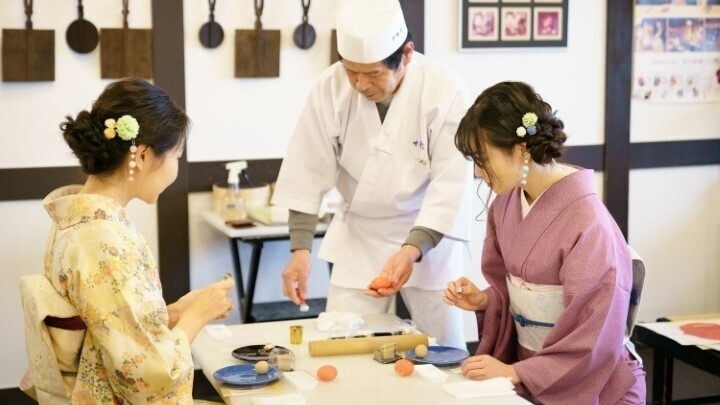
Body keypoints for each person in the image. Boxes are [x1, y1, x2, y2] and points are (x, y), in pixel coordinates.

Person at [271, 0, 473, 349]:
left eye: (374, 73)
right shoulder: (329, 88)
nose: (360, 84)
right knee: (343, 340)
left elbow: (451, 183)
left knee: (443, 350)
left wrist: (412, 249)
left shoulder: (444, 90)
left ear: (406, 54)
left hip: (429, 235)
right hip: (361, 235)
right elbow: (306, 168)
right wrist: (300, 251)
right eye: (352, 70)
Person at [443, 81, 646, 403]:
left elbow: (596, 328)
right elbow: (515, 291)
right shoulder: (506, 204)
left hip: (595, 382)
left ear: (520, 150)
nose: (479, 173)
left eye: (483, 159)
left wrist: (517, 372)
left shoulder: (588, 221)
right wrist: (487, 302)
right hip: (532, 371)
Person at [42, 78, 235, 403]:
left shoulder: (75, 219)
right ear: (143, 156)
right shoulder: (104, 241)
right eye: (176, 155)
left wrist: (173, 312)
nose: (175, 169)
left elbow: (112, 322)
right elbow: (148, 376)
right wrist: (195, 317)